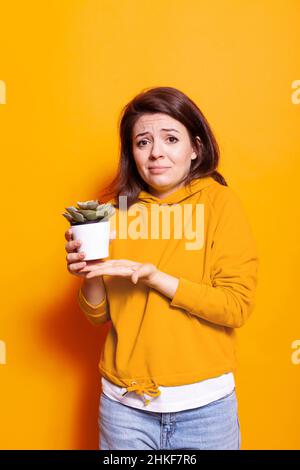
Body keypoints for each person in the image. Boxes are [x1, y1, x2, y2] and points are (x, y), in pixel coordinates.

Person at [64, 86, 259, 450]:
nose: (156, 152)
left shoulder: (219, 204)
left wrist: (157, 278)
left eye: (170, 138)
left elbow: (235, 306)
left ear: (195, 148)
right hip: (125, 410)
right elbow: (98, 316)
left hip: (205, 409)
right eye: (142, 142)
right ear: (132, 152)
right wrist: (88, 273)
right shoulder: (114, 211)